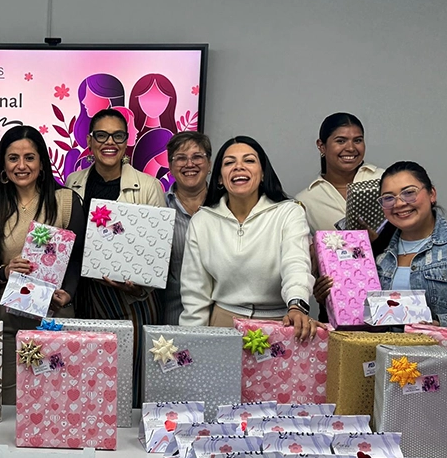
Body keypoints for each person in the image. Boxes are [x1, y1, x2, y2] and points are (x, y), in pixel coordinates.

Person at [314, 161, 447, 327]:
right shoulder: (376, 255)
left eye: (409, 192)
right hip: (387, 360)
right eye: (388, 198)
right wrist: (329, 299)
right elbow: (361, 319)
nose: (399, 203)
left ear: (432, 194)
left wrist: (442, 323)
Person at [65, 108, 166, 405]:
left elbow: (159, 249)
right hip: (85, 294)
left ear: (127, 141)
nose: (110, 142)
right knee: (88, 374)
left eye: (118, 135)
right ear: (89, 141)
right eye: (101, 135)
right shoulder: (73, 182)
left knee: (128, 379)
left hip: (133, 299)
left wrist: (139, 286)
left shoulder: (148, 186)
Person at [0, 125, 85, 403]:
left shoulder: (65, 201)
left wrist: (69, 293)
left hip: (54, 313)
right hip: (8, 316)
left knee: (58, 398)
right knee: (9, 401)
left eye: (29, 157)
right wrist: (4, 271)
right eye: (13, 158)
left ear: (42, 162)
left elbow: (77, 259)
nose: (21, 166)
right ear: (3, 164)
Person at [179, 136, 315, 340]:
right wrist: (191, 341)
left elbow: (296, 263)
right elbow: (194, 293)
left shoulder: (289, 212)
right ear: (219, 178)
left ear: (263, 173)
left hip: (282, 324)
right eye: (229, 163)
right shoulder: (202, 221)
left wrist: (297, 305)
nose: (239, 167)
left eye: (249, 160)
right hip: (223, 325)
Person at [160, 132, 213, 325]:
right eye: (181, 158)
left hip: (220, 316)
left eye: (197, 157)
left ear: (209, 164)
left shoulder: (227, 207)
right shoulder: (158, 208)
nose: (189, 164)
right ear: (170, 166)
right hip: (171, 316)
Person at [294, 112, 379, 232]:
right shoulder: (306, 201)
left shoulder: (383, 179)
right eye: (341, 141)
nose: (351, 148)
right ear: (321, 146)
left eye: (357, 140)